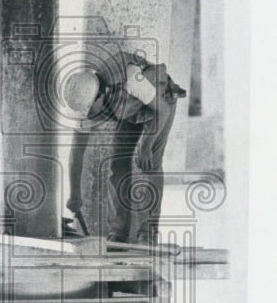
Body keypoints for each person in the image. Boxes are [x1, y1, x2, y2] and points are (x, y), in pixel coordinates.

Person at [65, 55, 186, 244]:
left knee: (150, 162)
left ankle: (148, 230)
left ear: (100, 95)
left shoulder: (131, 80)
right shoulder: (82, 105)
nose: (91, 117)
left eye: (91, 111)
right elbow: (76, 154)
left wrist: (146, 145)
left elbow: (161, 110)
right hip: (132, 110)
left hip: (161, 102)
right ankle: (118, 231)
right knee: (118, 165)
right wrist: (74, 194)